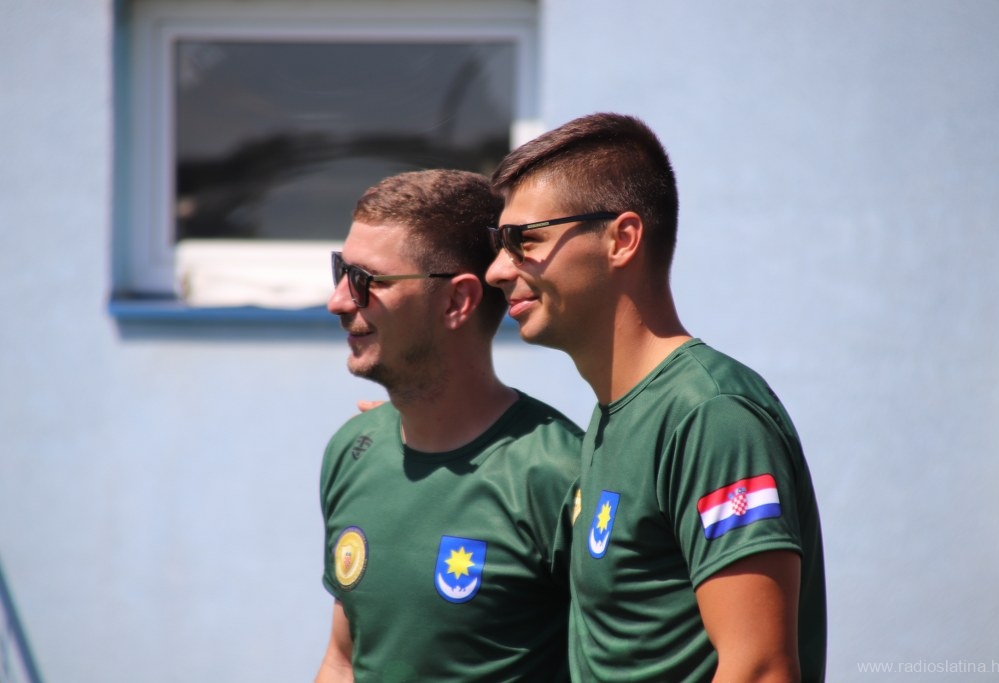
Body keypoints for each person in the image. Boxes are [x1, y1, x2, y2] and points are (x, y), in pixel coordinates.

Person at [485, 113, 826, 683]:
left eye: (525, 240)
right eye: (498, 244)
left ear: (621, 240)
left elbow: (761, 668)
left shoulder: (709, 414)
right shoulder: (615, 416)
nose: (498, 270)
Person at [315, 169, 583, 683]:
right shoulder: (353, 451)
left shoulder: (558, 475)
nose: (339, 301)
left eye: (368, 281)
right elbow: (342, 661)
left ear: (457, 301)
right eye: (341, 271)